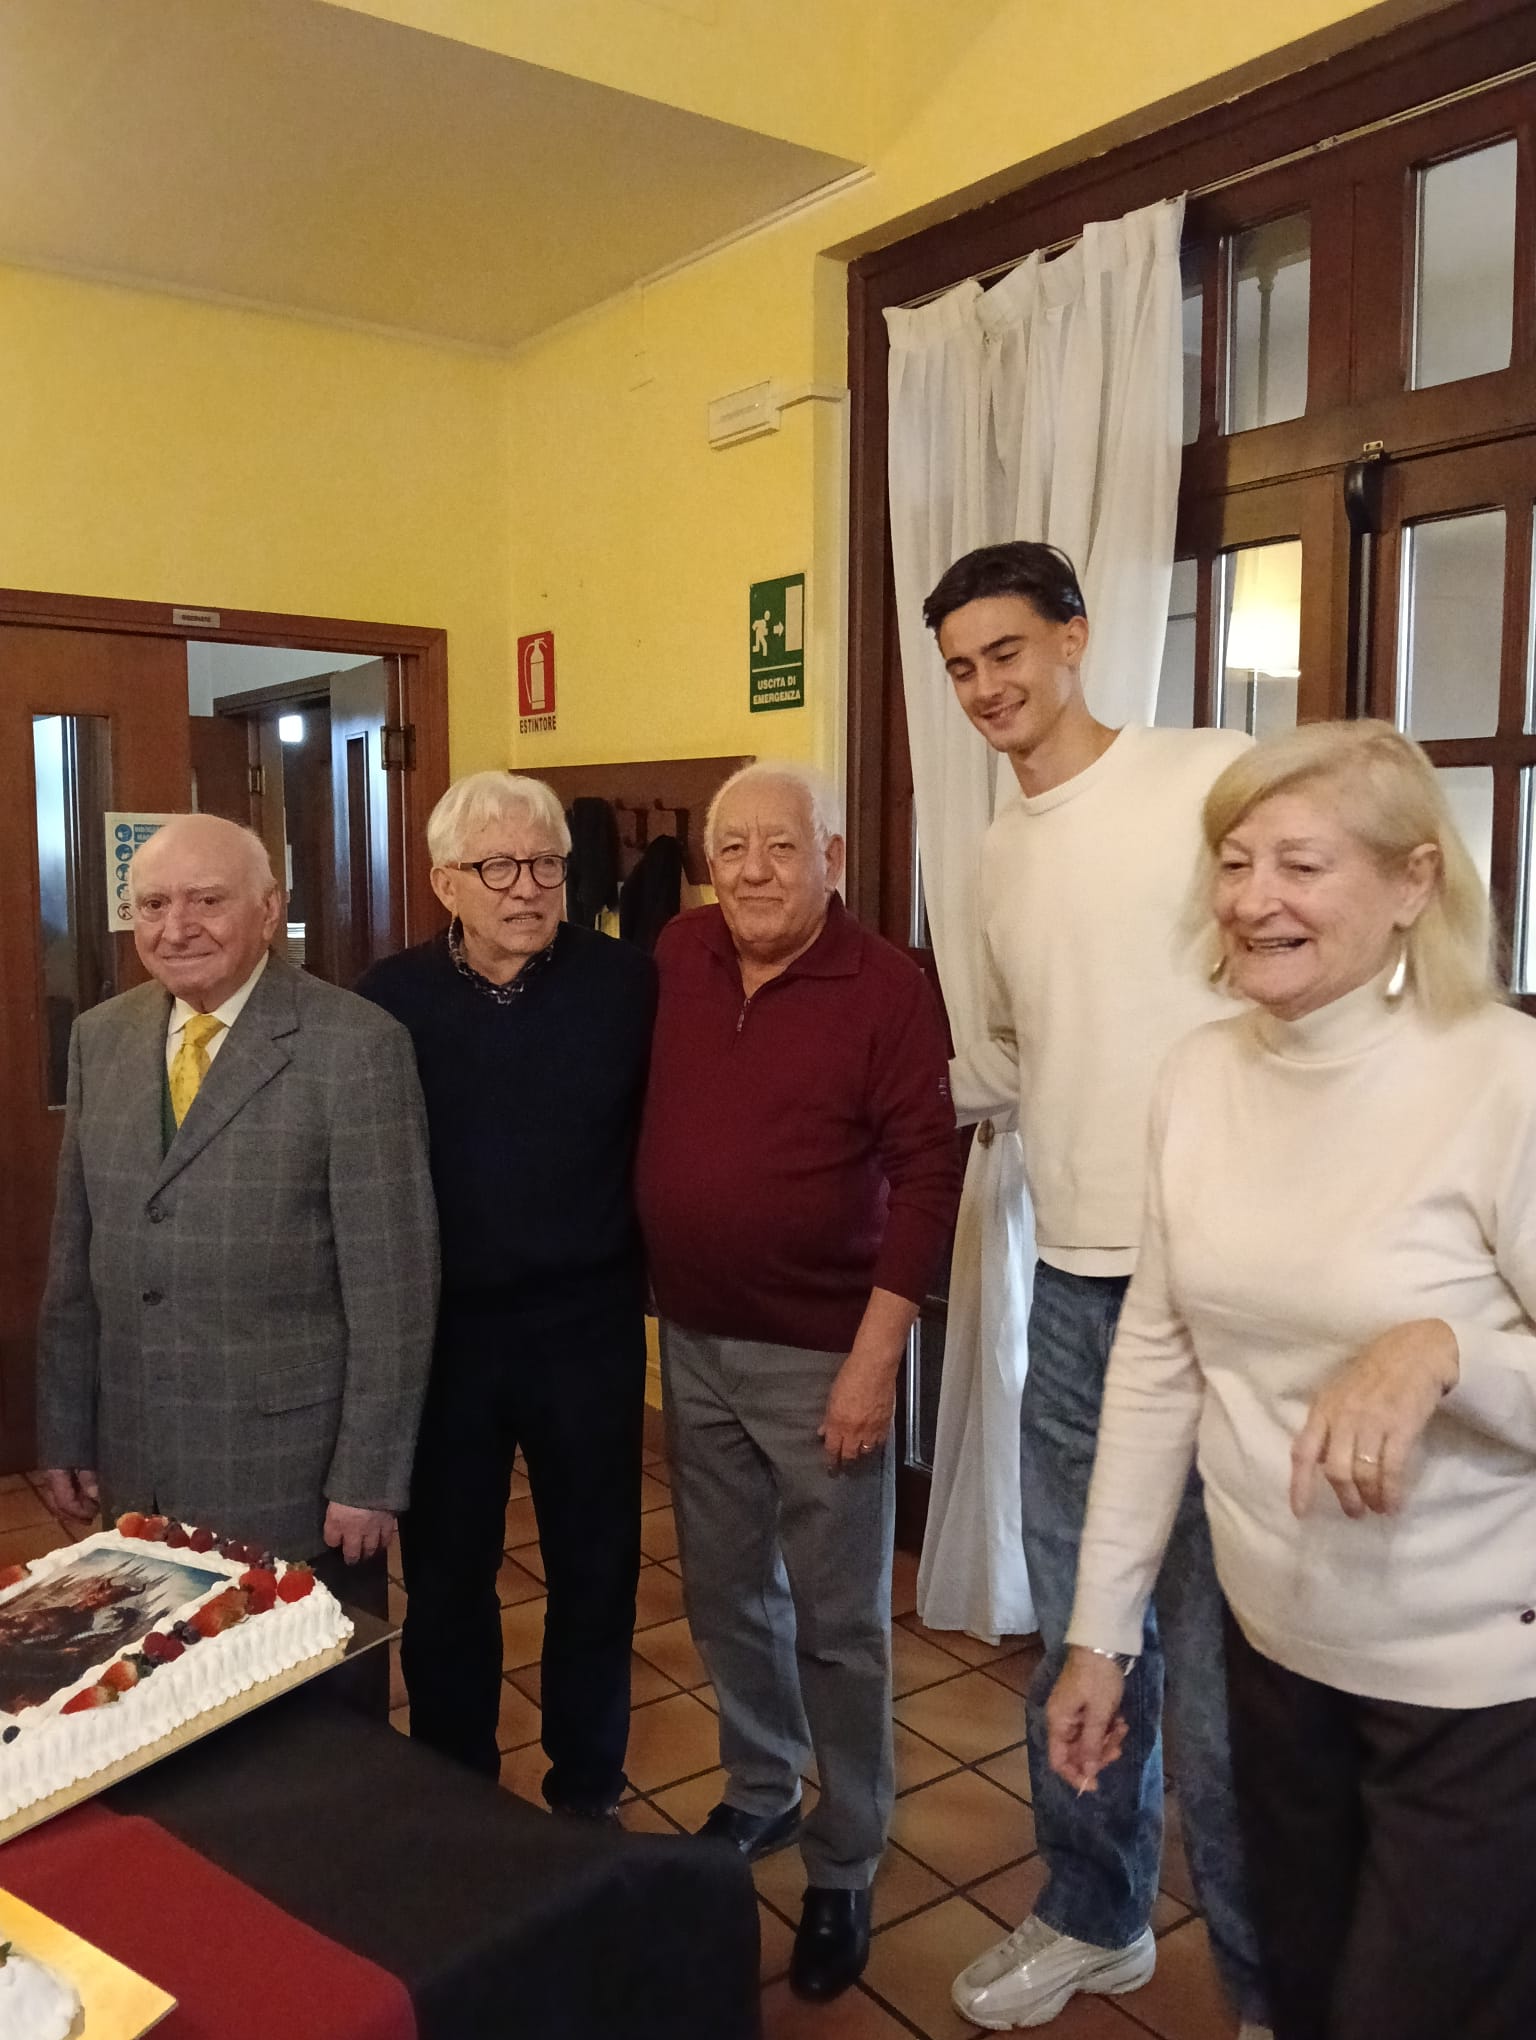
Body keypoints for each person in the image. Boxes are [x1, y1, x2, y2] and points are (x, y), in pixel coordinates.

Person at [1048, 719, 1536, 2040]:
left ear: (1414, 882)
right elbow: (1160, 1362)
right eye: (1235, 860)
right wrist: (1102, 1632)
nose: (1255, 897)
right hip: (1276, 1651)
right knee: (1303, 1992)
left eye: (1302, 866)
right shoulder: (1199, 1076)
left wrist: (1446, 1352)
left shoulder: (1503, 1079)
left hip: (1478, 1687)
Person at [925, 542, 1269, 2033]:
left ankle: (1267, 1980)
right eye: (960, 668)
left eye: (1007, 651)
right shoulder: (995, 852)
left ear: (1075, 637)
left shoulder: (1210, 776)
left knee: (1233, 1667)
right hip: (1071, 1284)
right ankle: (1095, 1910)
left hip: (1229, 1285)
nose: (986, 687)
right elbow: (1013, 1060)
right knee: (1084, 1635)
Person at [636, 761, 960, 2003]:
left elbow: (928, 1178)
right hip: (693, 1341)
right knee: (725, 1592)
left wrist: (877, 1359)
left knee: (837, 1623)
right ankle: (762, 1788)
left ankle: (846, 1856)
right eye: (733, 847)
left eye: (783, 845)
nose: (755, 870)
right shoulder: (678, 954)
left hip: (826, 1356)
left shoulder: (886, 988)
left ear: (832, 856)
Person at [37, 813, 436, 1625]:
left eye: (207, 900)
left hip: (290, 1476)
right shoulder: (99, 1039)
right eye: (154, 905)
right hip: (137, 1464)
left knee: (311, 1698)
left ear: (268, 908)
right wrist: (65, 1427)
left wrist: (368, 1477)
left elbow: (393, 1292)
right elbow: (75, 1259)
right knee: (162, 1684)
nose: (176, 927)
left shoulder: (356, 1046)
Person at [357, 771, 656, 1818]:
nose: (527, 886)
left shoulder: (627, 986)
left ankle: (587, 1790)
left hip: (588, 1325)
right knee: (447, 1576)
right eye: (497, 867)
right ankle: (459, 1797)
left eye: (546, 865)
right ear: (445, 881)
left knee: (597, 1568)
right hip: (448, 1334)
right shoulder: (388, 1000)